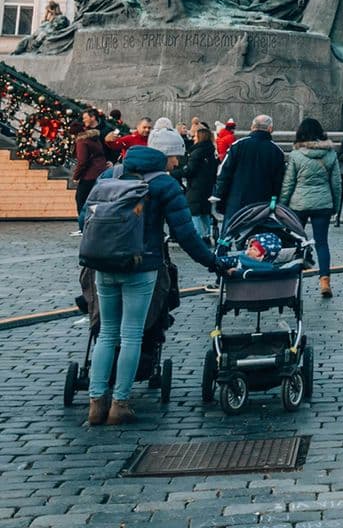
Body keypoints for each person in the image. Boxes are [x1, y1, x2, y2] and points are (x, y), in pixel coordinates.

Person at [82, 132, 233, 426]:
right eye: (176, 157)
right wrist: (214, 263)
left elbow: (83, 218)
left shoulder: (111, 173)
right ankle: (119, 404)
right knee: (131, 334)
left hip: (103, 264)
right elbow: (186, 235)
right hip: (142, 265)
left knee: (107, 332)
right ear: (166, 156)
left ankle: (95, 402)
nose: (178, 162)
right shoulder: (164, 184)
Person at [281, 118, 342, 297]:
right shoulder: (330, 154)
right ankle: (325, 281)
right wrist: (335, 206)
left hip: (298, 204)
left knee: (296, 242)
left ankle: (292, 281)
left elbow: (288, 183)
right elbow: (336, 184)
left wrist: (283, 206)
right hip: (323, 203)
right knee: (322, 243)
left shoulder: (296, 155)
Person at [213, 114, 287, 222]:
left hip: (237, 201)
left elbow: (224, 173)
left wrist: (219, 196)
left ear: (252, 127)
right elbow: (279, 180)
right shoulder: (277, 151)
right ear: (270, 129)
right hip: (262, 203)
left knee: (231, 235)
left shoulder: (238, 145)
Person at [180, 123, 219, 246]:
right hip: (207, 186)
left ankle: (199, 236)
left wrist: (174, 173)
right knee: (204, 211)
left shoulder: (197, 152)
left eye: (195, 136)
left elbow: (190, 170)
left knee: (194, 212)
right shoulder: (211, 151)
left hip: (196, 186)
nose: (193, 138)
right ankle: (206, 235)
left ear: (200, 137)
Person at [72, 113, 110, 234]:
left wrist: (76, 176)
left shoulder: (82, 141)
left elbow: (82, 161)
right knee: (96, 200)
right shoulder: (94, 138)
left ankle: (84, 226)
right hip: (100, 171)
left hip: (89, 174)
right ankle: (95, 224)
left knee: (81, 199)